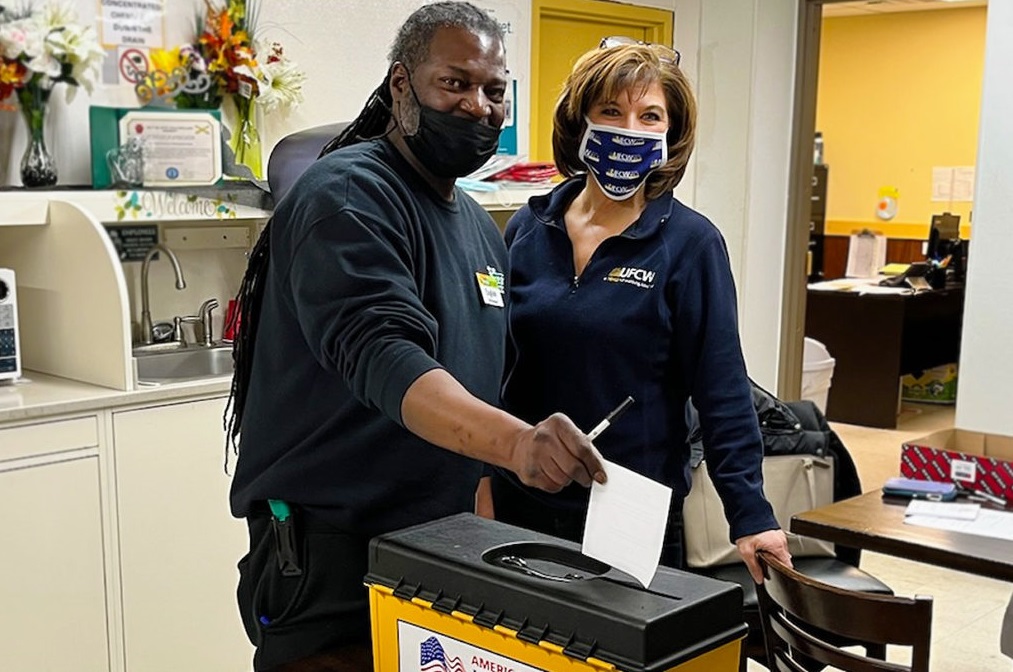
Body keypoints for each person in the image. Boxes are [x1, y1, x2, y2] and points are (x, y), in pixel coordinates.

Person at [225, 4, 606, 671]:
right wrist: (518, 442)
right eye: (453, 84)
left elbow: (481, 374)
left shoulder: (480, 230)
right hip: (333, 559)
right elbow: (385, 353)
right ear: (401, 86)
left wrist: (484, 509)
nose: (477, 107)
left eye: (494, 91)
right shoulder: (347, 197)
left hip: (437, 552)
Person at [484, 37, 792, 585]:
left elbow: (721, 389)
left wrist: (751, 516)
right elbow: (495, 366)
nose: (629, 128)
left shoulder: (691, 245)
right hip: (522, 496)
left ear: (670, 135)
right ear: (580, 122)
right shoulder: (529, 230)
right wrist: (483, 474)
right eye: (611, 111)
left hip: (627, 506)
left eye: (650, 116)